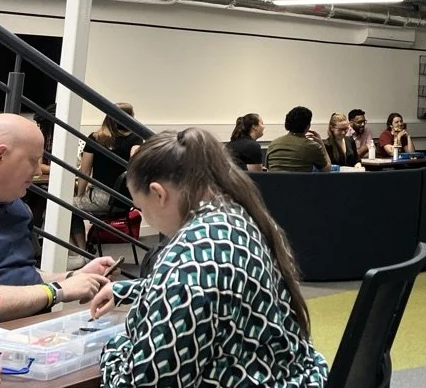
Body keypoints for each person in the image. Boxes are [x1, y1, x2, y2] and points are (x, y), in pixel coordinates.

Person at [91, 127, 328, 387]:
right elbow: (216, 287)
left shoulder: (185, 262)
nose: (144, 216)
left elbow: (148, 382)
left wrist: (113, 351)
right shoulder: (239, 216)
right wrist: (132, 289)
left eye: (141, 206)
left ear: (159, 194)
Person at [0, 114, 118, 322]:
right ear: (0, 156)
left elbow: (23, 275)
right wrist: (55, 291)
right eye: (33, 160)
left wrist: (74, 277)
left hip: (29, 335)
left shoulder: (17, 207)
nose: (37, 171)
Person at [71, 102, 143, 248]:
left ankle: (78, 250)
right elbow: (135, 161)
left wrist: (80, 195)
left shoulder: (95, 138)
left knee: (64, 206)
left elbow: (84, 173)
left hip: (101, 199)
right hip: (124, 201)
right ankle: (81, 249)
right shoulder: (136, 138)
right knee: (72, 206)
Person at [265, 107, 331, 173]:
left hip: (274, 183)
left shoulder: (273, 144)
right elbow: (327, 170)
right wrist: (321, 144)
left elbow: (268, 169)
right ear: (308, 126)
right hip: (300, 183)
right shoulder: (312, 146)